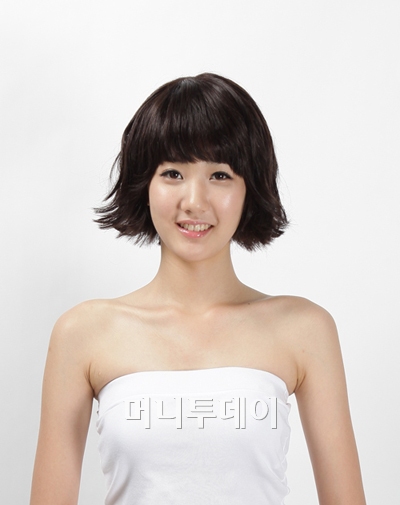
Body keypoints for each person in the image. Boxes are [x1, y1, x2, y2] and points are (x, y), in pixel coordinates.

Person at [30, 73, 366, 505]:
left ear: (249, 190)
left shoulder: (304, 328)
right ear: (145, 185)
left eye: (220, 175)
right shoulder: (83, 333)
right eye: (173, 173)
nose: (194, 201)